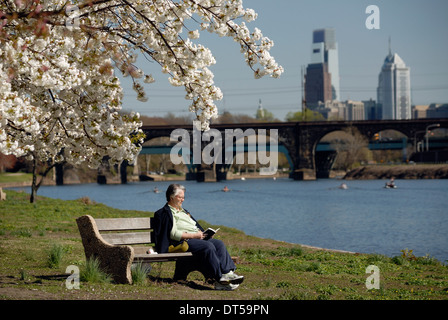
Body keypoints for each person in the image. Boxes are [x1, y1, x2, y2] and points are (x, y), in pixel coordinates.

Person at [153, 184, 244, 290]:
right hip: (182, 241)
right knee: (208, 247)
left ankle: (228, 273)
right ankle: (219, 279)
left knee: (218, 244)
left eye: (183, 197)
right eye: (180, 197)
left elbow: (195, 226)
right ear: (171, 197)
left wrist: (204, 233)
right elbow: (173, 234)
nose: (182, 199)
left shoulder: (184, 211)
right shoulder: (164, 213)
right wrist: (194, 235)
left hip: (196, 238)